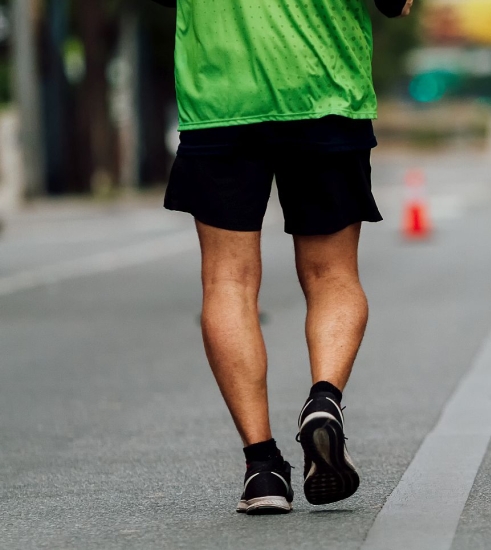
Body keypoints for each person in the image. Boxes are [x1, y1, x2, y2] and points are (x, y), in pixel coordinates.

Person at [152, 0, 413, 514]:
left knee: (227, 281)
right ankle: (324, 400)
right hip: (325, 84)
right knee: (332, 274)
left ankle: (263, 468)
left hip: (221, 94)